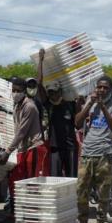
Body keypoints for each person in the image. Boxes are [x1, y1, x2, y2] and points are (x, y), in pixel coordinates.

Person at [71, 75, 112, 223]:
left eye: (105, 88)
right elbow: (77, 123)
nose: (101, 90)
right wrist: (90, 104)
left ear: (110, 90)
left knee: (103, 192)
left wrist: (102, 106)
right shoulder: (90, 101)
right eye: (99, 87)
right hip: (87, 152)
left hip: (104, 153)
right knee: (81, 190)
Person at [0, 76, 47, 223]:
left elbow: (22, 132)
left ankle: (33, 216)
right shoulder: (16, 105)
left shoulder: (29, 106)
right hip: (21, 149)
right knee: (14, 181)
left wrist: (7, 152)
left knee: (32, 183)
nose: (15, 93)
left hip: (33, 148)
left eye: (18, 90)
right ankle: (14, 214)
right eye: (13, 90)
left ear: (24, 91)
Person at [36, 49, 79, 178]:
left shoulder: (71, 104)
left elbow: (77, 123)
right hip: (55, 147)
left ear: (60, 91)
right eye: (50, 92)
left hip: (70, 147)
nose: (52, 94)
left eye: (54, 92)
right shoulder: (48, 104)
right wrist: (40, 60)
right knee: (55, 178)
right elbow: (39, 83)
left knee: (72, 178)